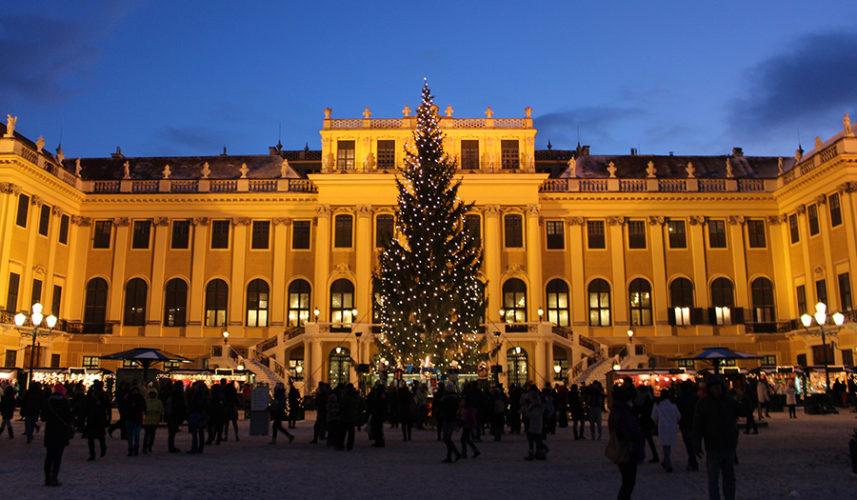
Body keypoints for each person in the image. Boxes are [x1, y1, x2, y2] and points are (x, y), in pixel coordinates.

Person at [693, 376, 740, 500]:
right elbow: (698, 425)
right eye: (714, 387)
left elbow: (743, 411)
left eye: (718, 387)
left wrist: (744, 398)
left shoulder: (729, 402)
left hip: (728, 445)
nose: (717, 390)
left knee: (728, 477)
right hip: (713, 446)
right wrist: (697, 443)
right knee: (714, 479)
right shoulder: (704, 403)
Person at [608, 385, 645, 500]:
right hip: (628, 449)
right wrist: (639, 435)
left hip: (621, 448)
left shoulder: (616, 410)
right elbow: (629, 431)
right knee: (628, 483)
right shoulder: (624, 412)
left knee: (627, 482)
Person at [42, 383, 73, 487]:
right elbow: (68, 417)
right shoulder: (65, 402)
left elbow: (43, 417)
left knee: (49, 455)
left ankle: (47, 477)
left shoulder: (48, 401)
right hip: (61, 431)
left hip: (50, 431)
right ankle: (54, 477)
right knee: (58, 456)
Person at [651, 389, 681, 472]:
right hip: (672, 427)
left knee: (665, 446)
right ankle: (666, 461)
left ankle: (667, 463)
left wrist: (657, 422)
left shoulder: (658, 404)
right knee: (668, 446)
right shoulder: (672, 404)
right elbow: (678, 416)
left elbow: (654, 416)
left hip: (662, 427)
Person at [83, 380, 110, 461]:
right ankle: (94, 453)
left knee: (99, 436)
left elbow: (107, 406)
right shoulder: (92, 395)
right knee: (93, 437)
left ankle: (100, 449)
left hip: (98, 418)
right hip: (94, 418)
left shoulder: (102, 395)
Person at [677, 380, 700, 471]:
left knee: (688, 444)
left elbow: (678, 410)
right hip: (694, 422)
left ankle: (693, 462)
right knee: (692, 443)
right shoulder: (695, 397)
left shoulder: (680, 398)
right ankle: (692, 461)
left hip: (685, 423)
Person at [439, 382, 461, 462]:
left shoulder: (446, 398)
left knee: (446, 438)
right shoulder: (455, 398)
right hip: (453, 418)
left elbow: (443, 408)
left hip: (448, 419)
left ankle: (455, 453)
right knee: (448, 437)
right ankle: (450, 455)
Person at [524, 384, 547, 460]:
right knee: (536, 439)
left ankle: (539, 451)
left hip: (536, 424)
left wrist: (527, 412)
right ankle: (539, 452)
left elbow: (534, 414)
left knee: (534, 438)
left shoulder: (536, 403)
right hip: (535, 424)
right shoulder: (536, 402)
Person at [186, 381, 208, 454]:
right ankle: (200, 448)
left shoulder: (195, 395)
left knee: (195, 432)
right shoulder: (206, 395)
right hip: (202, 414)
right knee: (201, 432)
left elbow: (193, 404)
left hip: (195, 414)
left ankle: (194, 447)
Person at [124, 385, 146, 456]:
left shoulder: (132, 398)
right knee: (132, 435)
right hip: (133, 418)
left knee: (135, 435)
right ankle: (132, 448)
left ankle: (134, 447)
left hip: (135, 419)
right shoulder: (134, 398)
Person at [460, 383, 480, 458]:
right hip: (468, 425)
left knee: (464, 439)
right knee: (466, 439)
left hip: (467, 425)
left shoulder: (468, 410)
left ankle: (466, 452)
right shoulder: (469, 409)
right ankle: (473, 450)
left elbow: (471, 418)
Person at [165, 381, 186, 453]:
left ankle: (171, 446)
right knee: (172, 432)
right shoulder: (178, 394)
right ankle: (171, 447)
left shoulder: (172, 393)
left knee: (171, 432)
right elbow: (179, 405)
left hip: (171, 414)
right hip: (174, 414)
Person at [143, 389, 164, 454]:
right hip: (148, 420)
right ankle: (146, 446)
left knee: (151, 434)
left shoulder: (158, 402)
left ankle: (149, 445)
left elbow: (161, 410)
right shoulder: (147, 402)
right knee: (147, 434)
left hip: (154, 420)